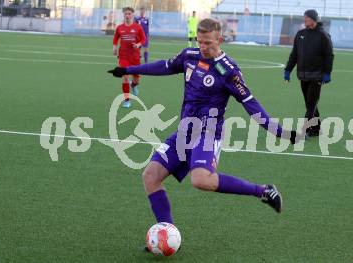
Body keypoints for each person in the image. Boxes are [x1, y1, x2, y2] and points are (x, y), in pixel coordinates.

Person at [108, 18, 299, 234]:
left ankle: (263, 191)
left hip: (208, 134)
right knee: (150, 176)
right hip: (184, 132)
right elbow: (164, 66)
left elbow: (251, 104)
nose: (203, 47)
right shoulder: (189, 56)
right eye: (200, 42)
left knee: (200, 180)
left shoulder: (229, 71)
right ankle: (167, 232)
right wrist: (128, 69)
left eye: (208, 43)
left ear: (220, 39)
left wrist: (279, 131)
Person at [284, 9, 334, 137]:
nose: (304, 20)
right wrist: (288, 69)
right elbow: (294, 54)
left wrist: (327, 73)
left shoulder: (323, 36)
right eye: (304, 18)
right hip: (303, 75)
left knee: (311, 104)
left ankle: (305, 131)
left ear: (314, 19)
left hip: (317, 75)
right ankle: (316, 129)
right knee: (309, 103)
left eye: (307, 18)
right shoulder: (301, 34)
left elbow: (329, 56)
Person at [113, 7, 146, 108]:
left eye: (129, 14)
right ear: (123, 15)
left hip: (135, 57)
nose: (127, 15)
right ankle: (127, 101)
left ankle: (133, 85)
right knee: (125, 77)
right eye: (125, 14)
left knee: (136, 81)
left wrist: (138, 44)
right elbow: (115, 39)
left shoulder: (137, 27)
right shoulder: (119, 28)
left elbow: (144, 39)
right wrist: (114, 47)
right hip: (123, 57)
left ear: (133, 15)